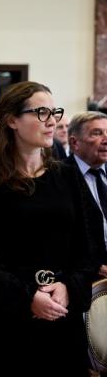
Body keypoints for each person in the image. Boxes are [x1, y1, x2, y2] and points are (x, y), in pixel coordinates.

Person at [0, 81, 96, 377]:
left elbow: (88, 249)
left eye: (55, 112)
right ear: (12, 120)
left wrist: (68, 288)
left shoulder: (67, 175)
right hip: (1, 324)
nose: (52, 121)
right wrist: (28, 297)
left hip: (60, 318)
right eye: (41, 112)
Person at [66, 111, 107, 278]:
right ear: (74, 142)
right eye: (97, 133)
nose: (106, 139)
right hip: (84, 275)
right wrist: (95, 267)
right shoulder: (59, 177)